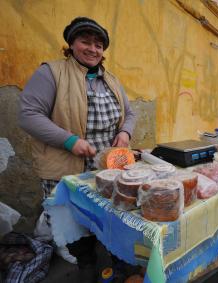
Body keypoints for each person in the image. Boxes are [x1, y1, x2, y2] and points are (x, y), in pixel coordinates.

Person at [19, 17, 136, 281]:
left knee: (109, 215)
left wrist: (125, 132)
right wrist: (70, 141)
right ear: (71, 43)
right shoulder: (51, 72)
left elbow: (130, 113)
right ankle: (85, 264)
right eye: (85, 41)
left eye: (98, 44)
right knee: (71, 220)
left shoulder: (112, 80)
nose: (93, 49)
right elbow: (29, 115)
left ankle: (117, 260)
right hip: (65, 165)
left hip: (106, 167)